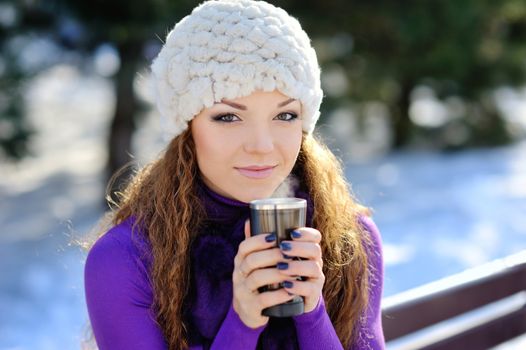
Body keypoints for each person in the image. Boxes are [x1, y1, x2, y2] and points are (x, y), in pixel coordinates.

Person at [84, 0, 385, 349]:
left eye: (284, 115)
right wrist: (242, 323)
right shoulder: (125, 259)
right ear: (187, 128)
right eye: (228, 117)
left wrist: (312, 311)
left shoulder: (348, 239)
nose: (262, 145)